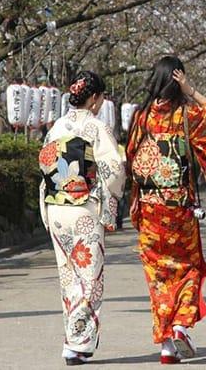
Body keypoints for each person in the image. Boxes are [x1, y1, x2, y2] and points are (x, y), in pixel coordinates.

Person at [126, 56, 206, 365]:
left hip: (150, 208)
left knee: (157, 274)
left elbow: (131, 156)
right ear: (178, 81)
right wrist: (191, 91)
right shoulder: (187, 114)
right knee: (188, 267)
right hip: (179, 209)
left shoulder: (141, 116)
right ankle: (179, 325)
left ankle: (165, 345)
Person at [38, 71, 126, 366]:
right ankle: (78, 342)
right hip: (84, 207)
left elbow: (46, 168)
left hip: (56, 207)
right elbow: (113, 170)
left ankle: (71, 337)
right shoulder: (96, 127)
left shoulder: (56, 127)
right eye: (100, 98)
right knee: (90, 277)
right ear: (93, 97)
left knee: (68, 276)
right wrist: (110, 200)